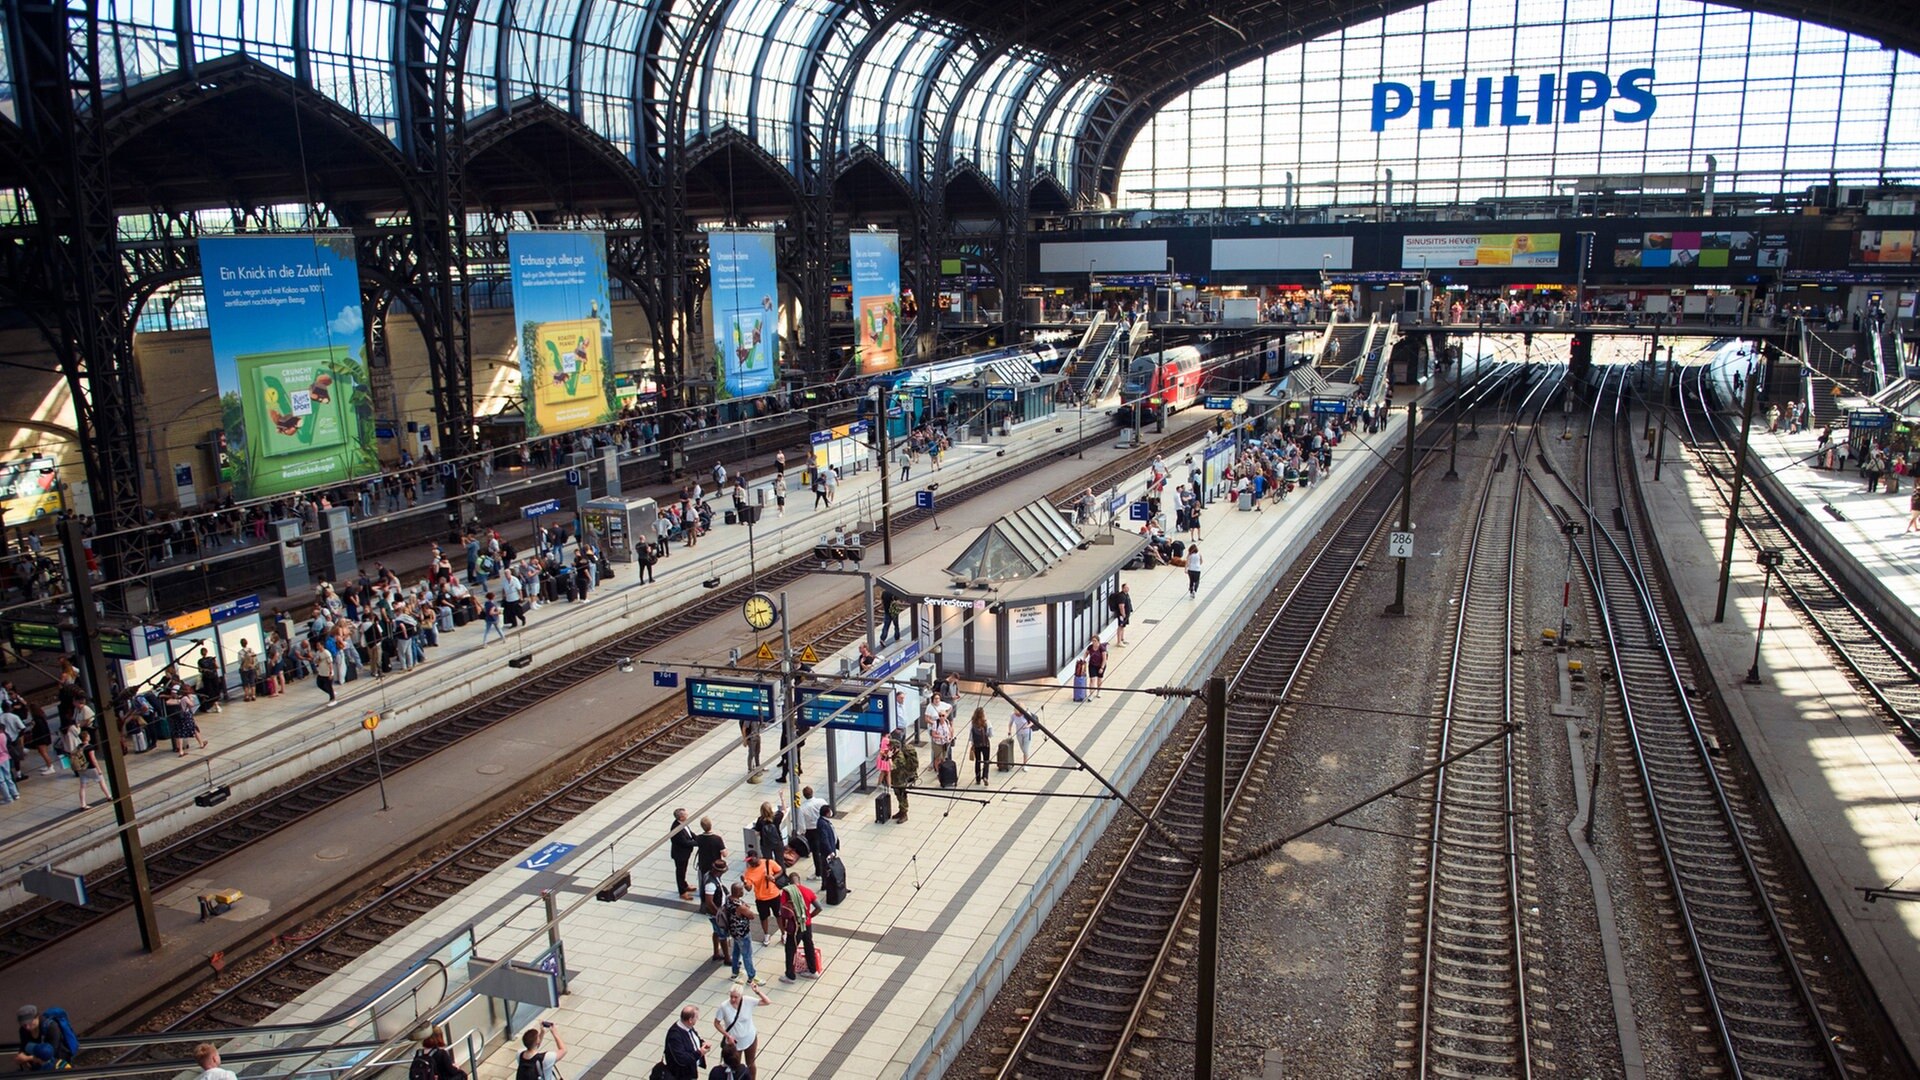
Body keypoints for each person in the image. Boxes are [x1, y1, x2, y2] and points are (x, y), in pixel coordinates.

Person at [713, 982, 773, 1076]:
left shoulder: (747, 1001)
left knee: (751, 1063)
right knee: (735, 1065)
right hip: (734, 1042)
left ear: (741, 996)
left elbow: (767, 1002)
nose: (733, 999)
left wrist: (758, 992)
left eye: (736, 997)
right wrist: (727, 1035)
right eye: (731, 996)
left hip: (750, 1037)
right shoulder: (724, 1006)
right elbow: (716, 1023)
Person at [777, 875, 821, 982]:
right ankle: (812, 971)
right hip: (807, 924)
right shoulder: (808, 891)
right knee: (809, 945)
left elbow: (782, 911)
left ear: (789, 882)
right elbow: (819, 907)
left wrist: (784, 928)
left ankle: (790, 976)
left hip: (795, 926)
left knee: (790, 949)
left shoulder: (787, 892)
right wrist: (809, 916)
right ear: (799, 881)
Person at [726, 882, 762, 984]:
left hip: (734, 931)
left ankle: (735, 972)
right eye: (741, 890)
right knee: (747, 954)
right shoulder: (739, 906)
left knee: (736, 952)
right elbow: (751, 915)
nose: (743, 891)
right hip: (743, 932)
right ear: (738, 892)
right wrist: (745, 907)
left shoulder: (728, 899)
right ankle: (751, 977)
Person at [662, 1006, 709, 1080]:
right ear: (690, 1020)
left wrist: (701, 1043)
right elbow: (682, 1059)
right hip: (682, 1075)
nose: (697, 1019)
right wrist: (699, 1053)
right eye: (696, 1017)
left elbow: (693, 1038)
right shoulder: (674, 1036)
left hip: (690, 1070)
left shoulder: (688, 1026)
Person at [796, 786, 832, 880]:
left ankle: (819, 873)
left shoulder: (803, 808)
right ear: (812, 792)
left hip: (811, 831)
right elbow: (829, 812)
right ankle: (828, 867)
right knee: (826, 847)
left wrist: (801, 832)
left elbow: (801, 823)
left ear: (804, 795)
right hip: (823, 826)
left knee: (816, 852)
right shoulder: (821, 801)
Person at [702, 856, 732, 963]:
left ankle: (716, 953)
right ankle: (727, 958)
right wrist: (720, 915)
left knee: (716, 931)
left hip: (717, 911)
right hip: (715, 913)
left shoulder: (710, 876)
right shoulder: (710, 883)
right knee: (723, 935)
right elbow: (709, 902)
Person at [887, 728, 916, 822]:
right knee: (898, 795)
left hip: (900, 780)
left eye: (891, 748)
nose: (889, 749)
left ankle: (904, 813)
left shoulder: (899, 757)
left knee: (902, 796)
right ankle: (901, 811)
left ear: (895, 748)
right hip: (896, 780)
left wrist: (890, 757)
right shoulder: (896, 755)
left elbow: (892, 767)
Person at [668, 808, 698, 900]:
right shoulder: (676, 829)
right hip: (680, 854)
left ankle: (684, 885)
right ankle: (682, 892)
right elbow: (685, 842)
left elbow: (690, 833)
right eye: (685, 815)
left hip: (685, 853)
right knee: (680, 872)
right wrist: (698, 843)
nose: (687, 816)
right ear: (681, 818)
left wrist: (698, 838)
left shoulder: (683, 823)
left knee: (683, 870)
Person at [967, 707, 993, 785]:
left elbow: (970, 736)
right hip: (985, 744)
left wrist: (972, 743)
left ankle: (978, 779)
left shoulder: (972, 723)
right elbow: (990, 734)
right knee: (986, 761)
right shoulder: (987, 722)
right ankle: (985, 776)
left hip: (977, 745)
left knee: (978, 761)